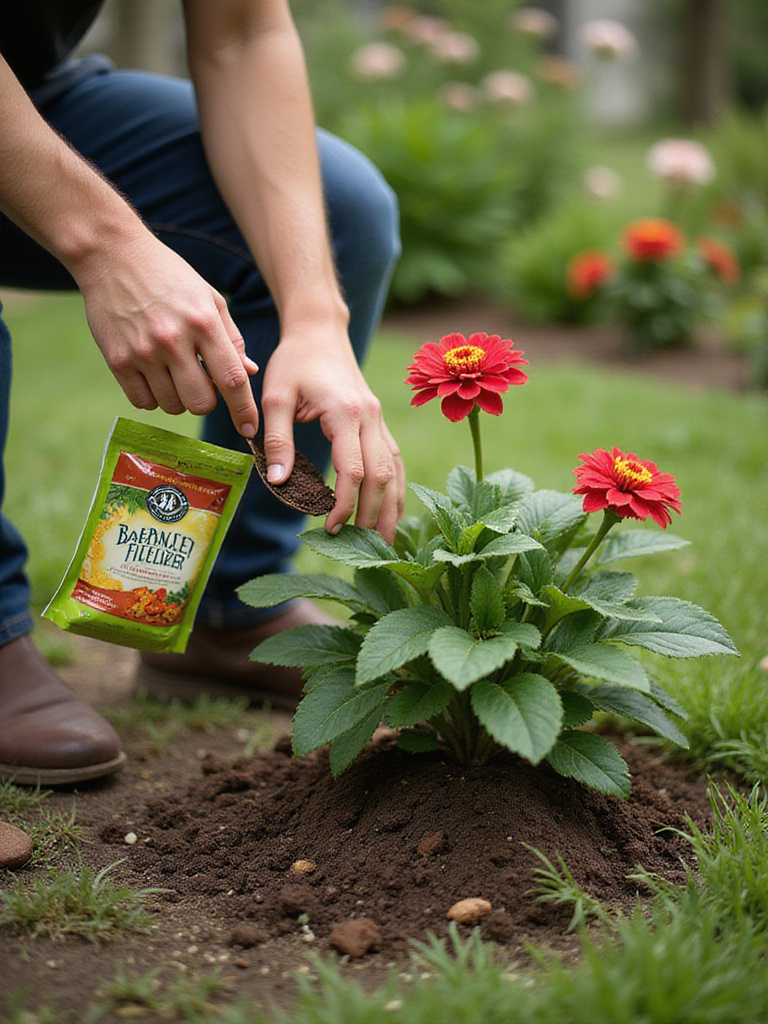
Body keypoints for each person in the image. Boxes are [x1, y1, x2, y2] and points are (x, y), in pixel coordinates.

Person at [0, 0, 404, 786]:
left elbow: (244, 32)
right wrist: (106, 243)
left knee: (346, 213)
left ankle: (229, 611)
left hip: (31, 95)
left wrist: (316, 316)